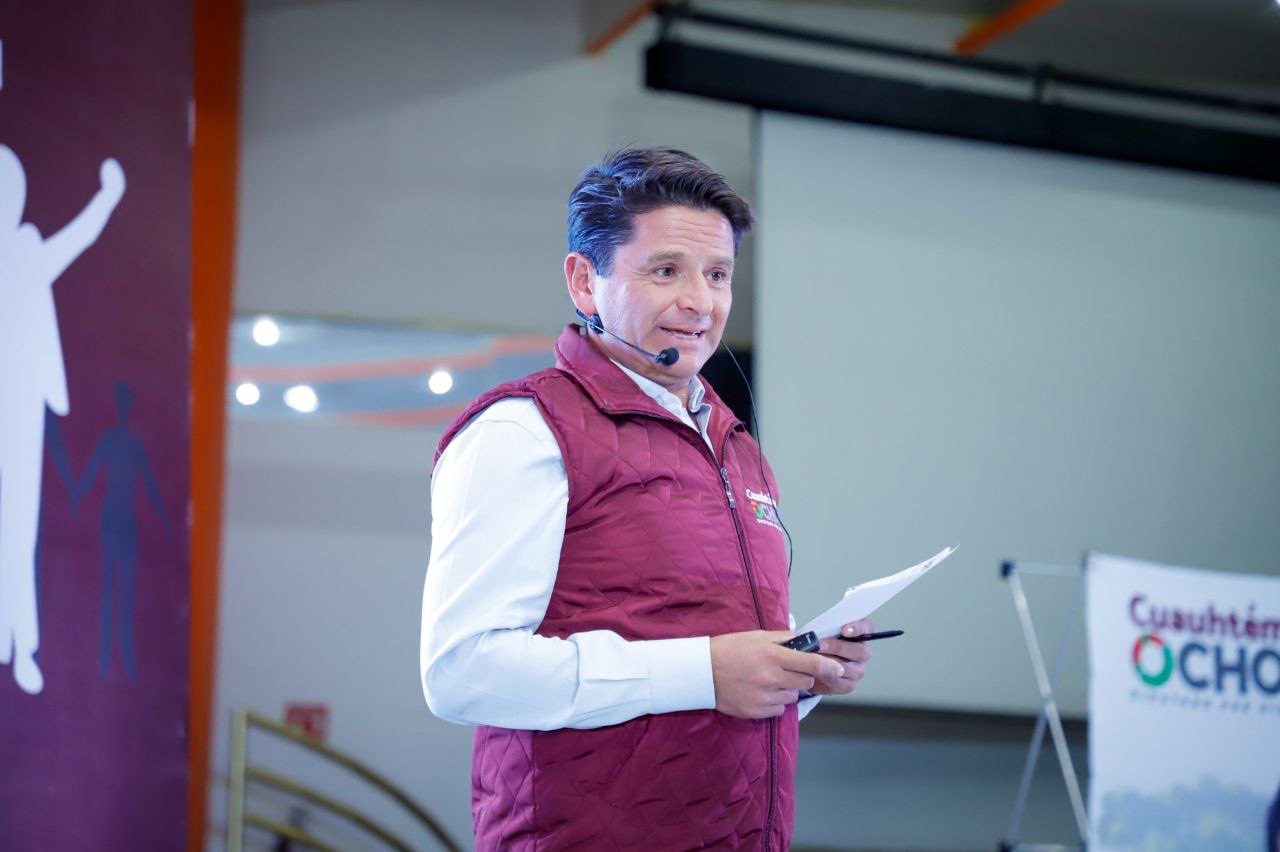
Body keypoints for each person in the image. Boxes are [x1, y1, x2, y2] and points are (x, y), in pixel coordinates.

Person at [420, 148, 875, 850]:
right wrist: (706, 672)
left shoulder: (734, 447)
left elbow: (709, 682)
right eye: (666, 271)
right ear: (585, 281)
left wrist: (796, 671)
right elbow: (462, 673)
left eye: (717, 275)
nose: (700, 302)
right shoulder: (522, 430)